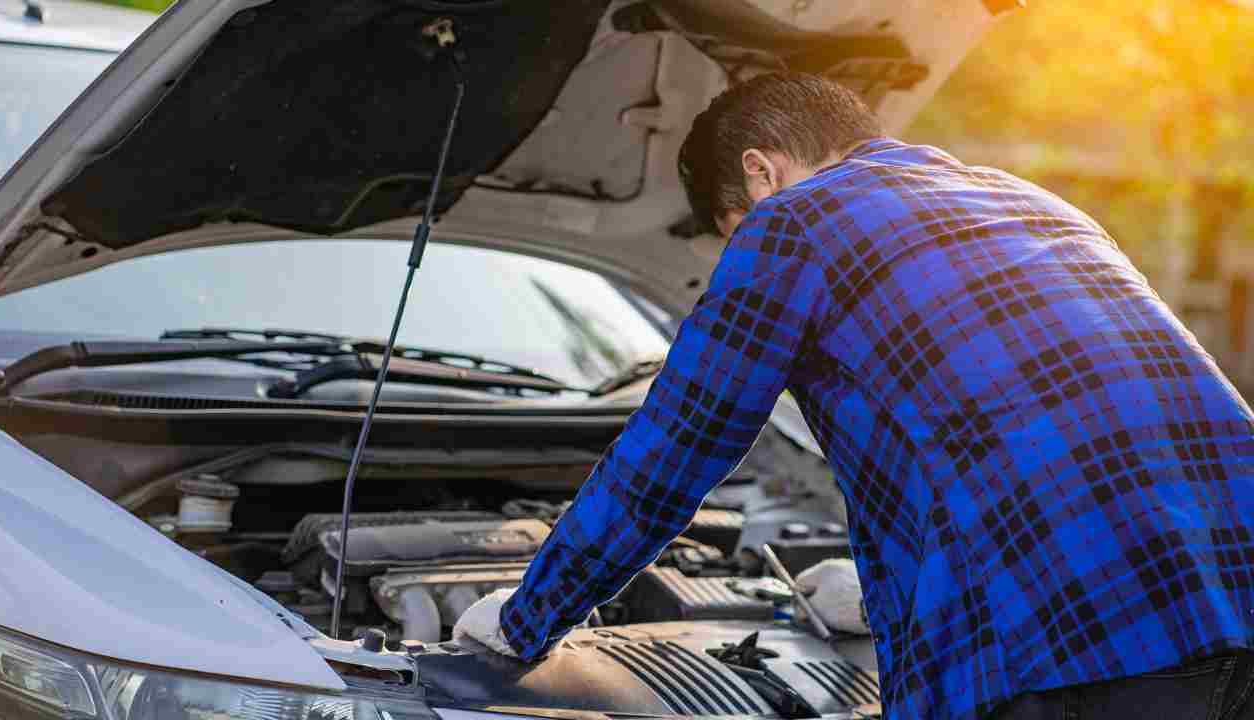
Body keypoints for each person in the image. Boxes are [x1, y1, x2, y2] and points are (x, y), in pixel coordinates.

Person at [454, 72, 1254, 720]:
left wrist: (527, 617)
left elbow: (674, 450)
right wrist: (887, 598)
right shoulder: (1033, 202)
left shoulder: (795, 220)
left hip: (1083, 642)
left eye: (734, 228)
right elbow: (998, 434)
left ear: (760, 173)